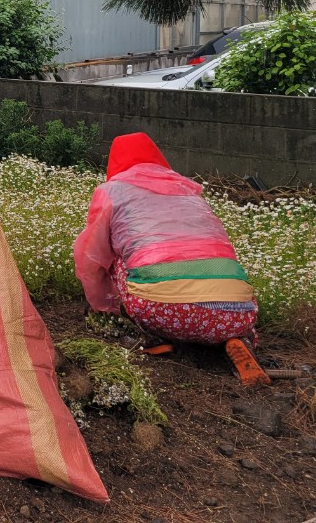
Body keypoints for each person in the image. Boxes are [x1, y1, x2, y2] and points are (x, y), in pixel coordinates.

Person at [73, 133, 269, 386]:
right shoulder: (189, 190)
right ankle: (236, 339)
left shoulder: (111, 190)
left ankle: (155, 336)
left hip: (161, 310)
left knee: (115, 256)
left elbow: (92, 255)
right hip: (236, 312)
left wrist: (101, 302)